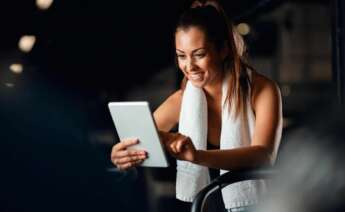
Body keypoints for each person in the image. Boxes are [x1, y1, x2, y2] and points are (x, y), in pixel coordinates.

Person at [110, 0, 282, 211]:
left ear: (223, 50)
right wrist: (121, 157)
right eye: (181, 56)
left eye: (199, 54)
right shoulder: (181, 100)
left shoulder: (262, 90)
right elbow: (138, 143)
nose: (189, 66)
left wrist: (197, 156)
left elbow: (263, 156)